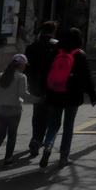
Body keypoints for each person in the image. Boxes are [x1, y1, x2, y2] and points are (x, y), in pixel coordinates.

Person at [40, 28, 96, 169]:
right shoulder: (80, 55)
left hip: (54, 93)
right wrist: (92, 95)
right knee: (68, 126)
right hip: (73, 95)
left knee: (53, 124)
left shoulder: (54, 53)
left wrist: (43, 91)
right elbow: (87, 77)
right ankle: (63, 156)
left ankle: (48, 145)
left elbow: (45, 73)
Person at [0, 53, 38, 168]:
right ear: (21, 66)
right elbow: (23, 94)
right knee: (12, 134)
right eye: (25, 66)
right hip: (14, 110)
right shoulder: (21, 77)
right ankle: (8, 158)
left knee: (0, 134)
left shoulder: (0, 76)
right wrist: (38, 99)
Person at [24, 21, 59, 156]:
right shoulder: (57, 46)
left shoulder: (32, 46)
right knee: (51, 113)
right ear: (53, 31)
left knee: (37, 112)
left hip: (36, 84)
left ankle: (36, 138)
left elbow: (27, 67)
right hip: (52, 85)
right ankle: (46, 140)